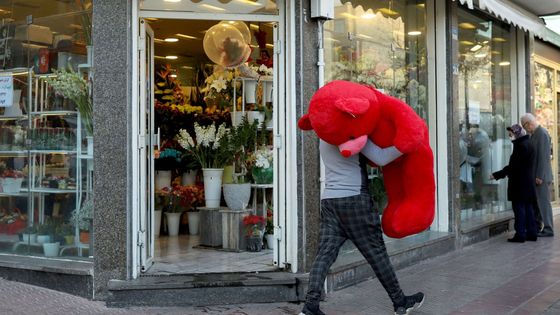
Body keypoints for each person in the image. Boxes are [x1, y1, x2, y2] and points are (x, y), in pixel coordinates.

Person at [300, 139, 424, 315]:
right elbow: (380, 158)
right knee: (377, 254)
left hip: (330, 201)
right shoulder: (353, 132)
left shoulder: (324, 134)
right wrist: (406, 145)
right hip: (356, 200)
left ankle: (310, 307)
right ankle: (399, 302)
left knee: (324, 255)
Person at [490, 124, 537, 242]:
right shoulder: (528, 143)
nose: (509, 136)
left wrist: (496, 175)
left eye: (511, 133)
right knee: (528, 208)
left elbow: (513, 167)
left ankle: (520, 234)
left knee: (519, 208)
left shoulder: (521, 146)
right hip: (527, 182)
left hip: (519, 183)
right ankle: (532, 233)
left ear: (516, 133)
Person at [520, 113, 554, 237]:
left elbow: (544, 157)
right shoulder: (535, 134)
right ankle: (538, 226)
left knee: (544, 203)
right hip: (537, 176)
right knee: (538, 203)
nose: (525, 129)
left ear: (529, 123)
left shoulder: (542, 134)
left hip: (542, 177)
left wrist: (539, 175)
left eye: (524, 126)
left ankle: (549, 229)